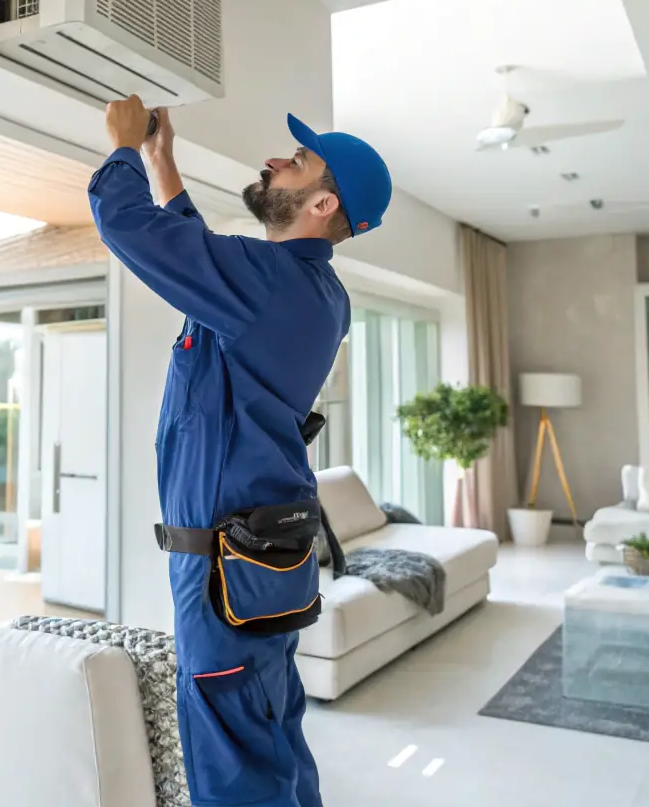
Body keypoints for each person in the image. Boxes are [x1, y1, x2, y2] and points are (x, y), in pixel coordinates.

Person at [88, 95, 392, 807]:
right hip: (255, 556)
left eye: (299, 160)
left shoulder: (269, 285)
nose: (274, 161)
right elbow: (203, 268)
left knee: (233, 757)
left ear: (321, 202)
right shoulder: (304, 289)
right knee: (268, 727)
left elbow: (127, 225)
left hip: (227, 564)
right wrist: (165, 167)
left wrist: (126, 150)